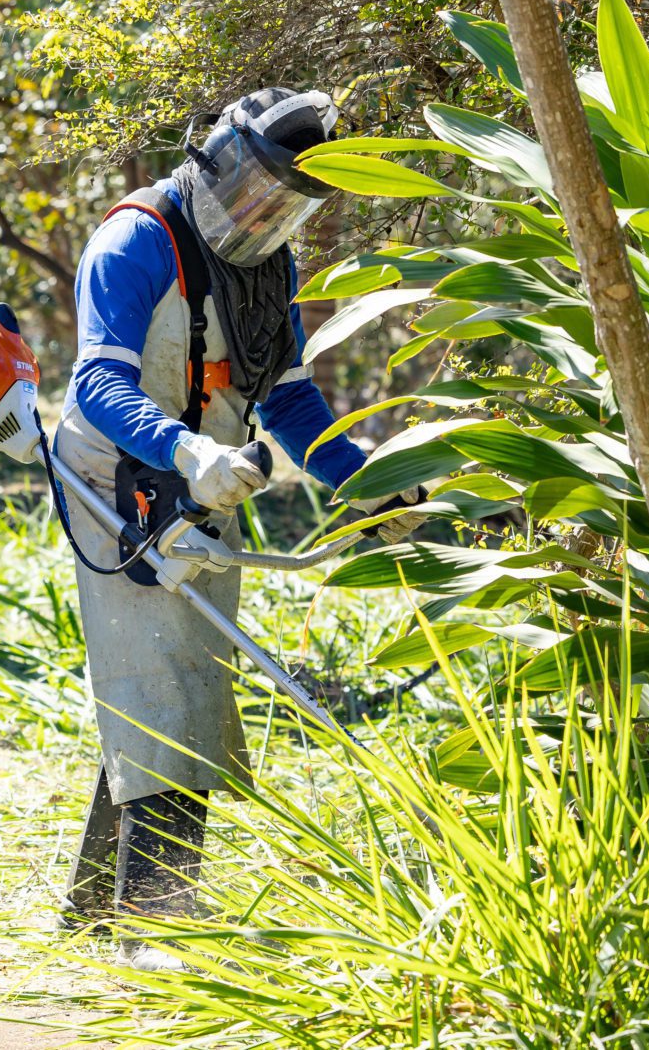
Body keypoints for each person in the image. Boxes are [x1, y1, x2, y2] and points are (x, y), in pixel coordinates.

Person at [53, 87, 426, 970]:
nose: (263, 217)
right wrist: (187, 453)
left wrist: (366, 483)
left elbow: (289, 395)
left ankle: (92, 914)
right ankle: (156, 932)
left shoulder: (270, 265)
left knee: (173, 685)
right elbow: (100, 385)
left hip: (207, 484)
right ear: (212, 163)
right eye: (254, 193)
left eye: (285, 206)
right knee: (167, 695)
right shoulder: (134, 241)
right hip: (119, 481)